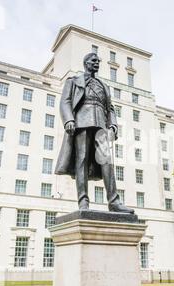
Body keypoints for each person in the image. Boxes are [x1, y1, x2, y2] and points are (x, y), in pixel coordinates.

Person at [55, 52, 134, 214]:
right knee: (81, 160)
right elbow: (65, 102)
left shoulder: (104, 85)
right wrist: (69, 119)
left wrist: (113, 125)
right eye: (93, 60)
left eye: (98, 61)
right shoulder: (73, 81)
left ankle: (114, 202)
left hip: (101, 125)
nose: (97, 63)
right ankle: (83, 201)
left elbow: (110, 108)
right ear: (86, 63)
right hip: (81, 123)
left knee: (107, 162)